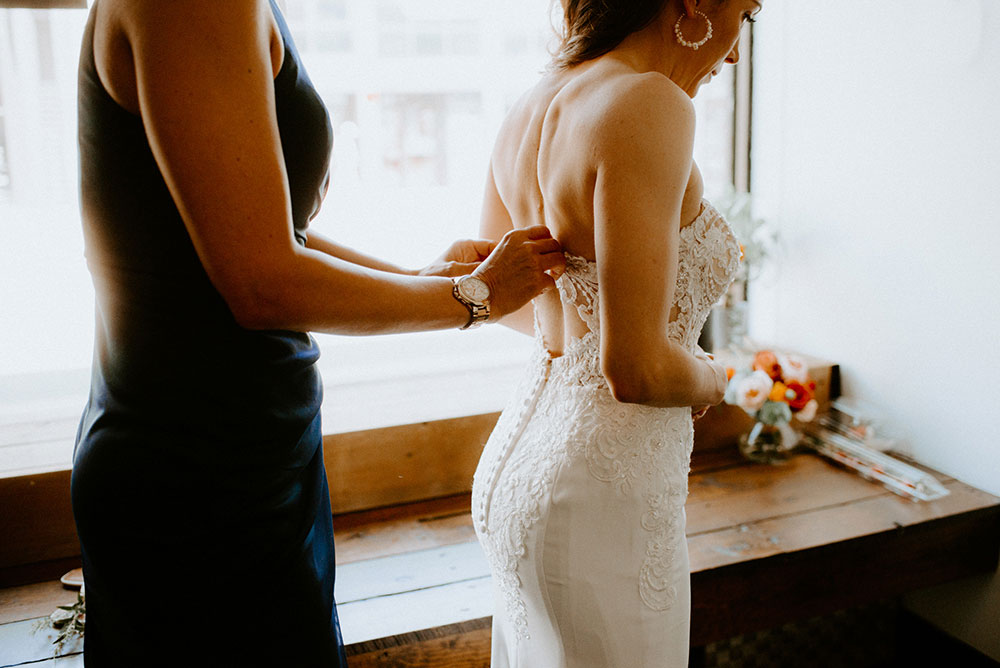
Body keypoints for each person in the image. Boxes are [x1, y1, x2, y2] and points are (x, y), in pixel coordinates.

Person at [71, 1, 565, 666]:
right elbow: (260, 283)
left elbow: (261, 232)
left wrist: (420, 277)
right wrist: (468, 297)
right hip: (195, 478)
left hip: (247, 453)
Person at [470, 0, 759, 665]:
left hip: (519, 469)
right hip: (600, 497)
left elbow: (505, 302)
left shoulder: (534, 103)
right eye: (743, 15)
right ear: (694, 3)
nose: (736, 51)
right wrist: (715, 376)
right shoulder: (649, 102)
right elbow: (637, 371)